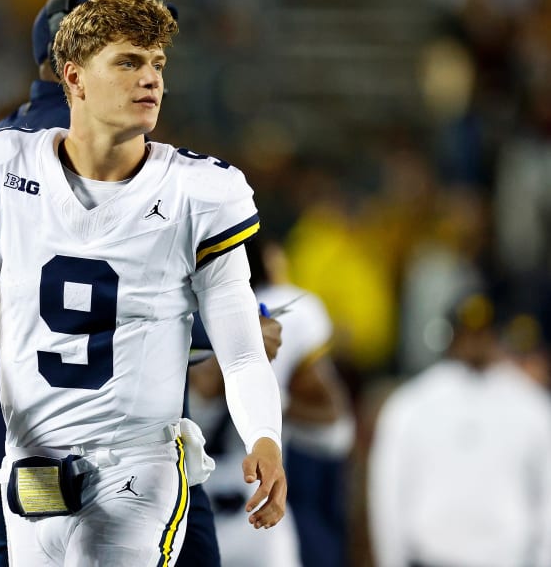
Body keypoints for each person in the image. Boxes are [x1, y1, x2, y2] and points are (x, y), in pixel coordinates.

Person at [0, 0, 286, 566]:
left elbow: (242, 351)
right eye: (128, 62)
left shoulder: (201, 193)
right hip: (29, 465)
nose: (150, 78)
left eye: (157, 63)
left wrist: (264, 436)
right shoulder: (1, 168)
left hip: (140, 466)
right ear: (73, 78)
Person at [192, 236, 353, 566]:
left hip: (256, 508)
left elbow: (336, 430)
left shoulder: (283, 311)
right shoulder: (155, 307)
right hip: (177, 508)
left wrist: (266, 404)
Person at [368, 293, 551, 567]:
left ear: (497, 336)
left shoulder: (531, 406)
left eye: (483, 334)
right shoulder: (413, 404)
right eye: (467, 333)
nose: (475, 342)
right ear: (450, 336)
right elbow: (387, 493)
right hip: (431, 558)